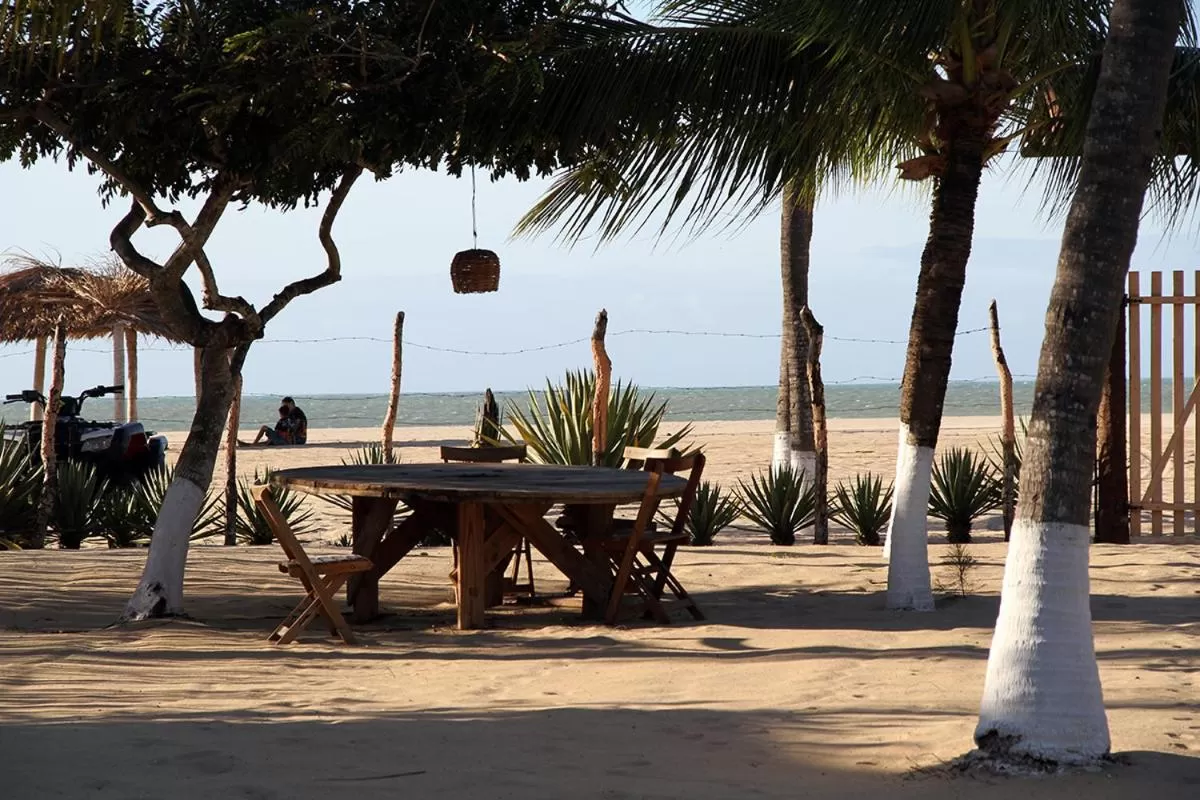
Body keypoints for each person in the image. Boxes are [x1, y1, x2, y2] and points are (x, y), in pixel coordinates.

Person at [242, 397, 308, 446]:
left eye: (285, 405)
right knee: (271, 440)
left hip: (296, 440)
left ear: (291, 403)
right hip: (295, 439)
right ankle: (252, 444)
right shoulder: (294, 413)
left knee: (265, 428)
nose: (285, 408)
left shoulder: (297, 414)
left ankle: (253, 444)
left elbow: (294, 428)